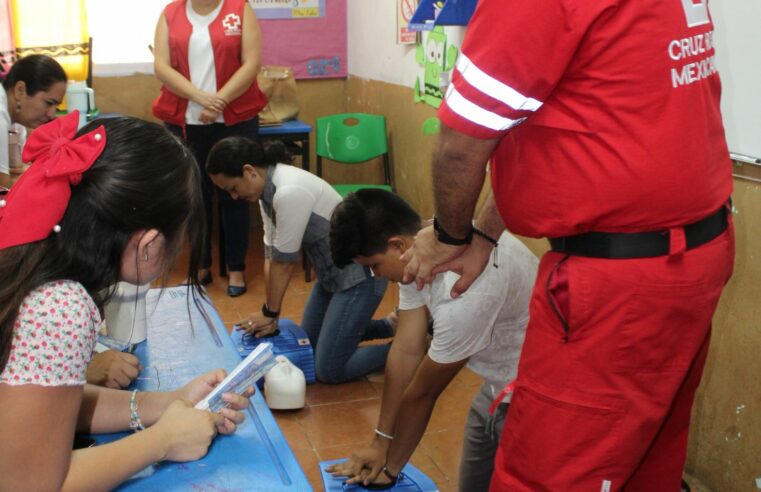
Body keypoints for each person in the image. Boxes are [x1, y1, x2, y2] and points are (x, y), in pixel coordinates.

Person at [402, 0, 735, 490]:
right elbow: (555, 130)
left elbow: (462, 142)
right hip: (689, 252)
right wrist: (485, 233)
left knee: (550, 472)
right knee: (643, 461)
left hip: (619, 283)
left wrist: (450, 237)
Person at [0, 112, 253, 491]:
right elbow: (30, 485)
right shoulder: (60, 307)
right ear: (149, 244)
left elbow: (46, 402)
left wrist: (170, 404)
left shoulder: (34, 263)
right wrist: (163, 441)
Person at [325, 189, 538, 491]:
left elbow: (423, 394)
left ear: (397, 244)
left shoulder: (464, 291)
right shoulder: (424, 247)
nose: (376, 276)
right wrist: (379, 443)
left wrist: (389, 470)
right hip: (497, 385)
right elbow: (406, 349)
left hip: (538, 393)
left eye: (373, 265)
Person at [206, 137, 393, 384]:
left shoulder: (288, 191)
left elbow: (284, 263)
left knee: (328, 369)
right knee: (309, 343)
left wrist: (270, 313)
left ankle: (412, 347)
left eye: (232, 188)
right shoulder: (265, 192)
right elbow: (271, 255)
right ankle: (389, 325)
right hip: (330, 278)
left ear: (249, 171)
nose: (233, 197)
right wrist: (269, 314)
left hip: (359, 278)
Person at [152, 0, 267, 296]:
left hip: (235, 119)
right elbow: (162, 67)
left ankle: (236, 269)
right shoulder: (170, 13)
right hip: (185, 121)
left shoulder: (240, 9)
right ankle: (200, 266)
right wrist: (201, 98)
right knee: (194, 198)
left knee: (235, 195)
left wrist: (220, 100)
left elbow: (251, 64)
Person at [1, 54, 67, 188]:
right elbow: (5, 186)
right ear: (20, 90)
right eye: (49, 103)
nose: (52, 114)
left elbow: (21, 169)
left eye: (57, 106)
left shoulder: (17, 124)